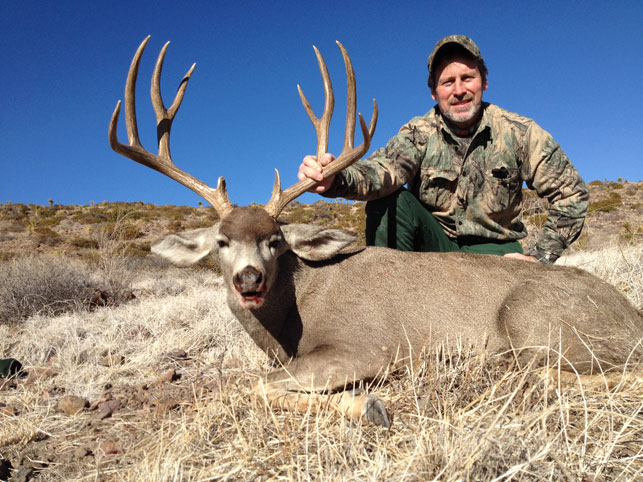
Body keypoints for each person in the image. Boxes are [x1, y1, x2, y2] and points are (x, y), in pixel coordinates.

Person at [297, 35, 589, 264]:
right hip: (434, 250)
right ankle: (392, 308)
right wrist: (336, 178)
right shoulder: (418, 133)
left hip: (497, 254)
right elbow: (381, 172)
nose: (459, 89)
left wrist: (538, 258)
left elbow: (572, 194)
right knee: (389, 202)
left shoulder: (520, 133)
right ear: (434, 92)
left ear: (484, 82)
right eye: (448, 82)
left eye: (468, 78)